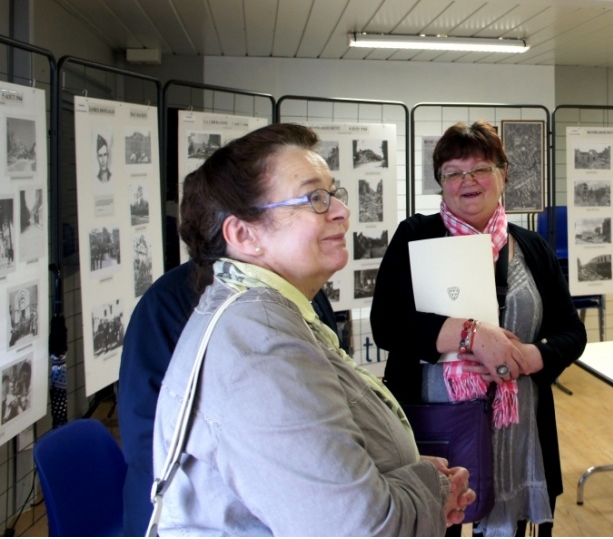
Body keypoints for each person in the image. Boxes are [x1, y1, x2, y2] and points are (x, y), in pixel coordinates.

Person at [152, 123, 474, 535]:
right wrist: (430, 488)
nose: (342, 210)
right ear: (243, 234)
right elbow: (358, 529)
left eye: (333, 193)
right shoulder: (260, 344)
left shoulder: (265, 315)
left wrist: (394, 472)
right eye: (314, 198)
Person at [371, 121, 587, 536]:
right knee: (442, 520)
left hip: (520, 433)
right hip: (437, 429)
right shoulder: (415, 237)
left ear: (503, 175)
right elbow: (388, 325)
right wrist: (470, 334)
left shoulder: (533, 247)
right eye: (453, 172)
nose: (467, 181)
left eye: (480, 169)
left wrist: (530, 356)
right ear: (441, 184)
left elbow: (570, 333)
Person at [118, 259, 349, 536]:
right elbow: (144, 430)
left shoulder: (304, 293)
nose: (339, 218)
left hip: (290, 496)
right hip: (190, 511)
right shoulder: (168, 300)